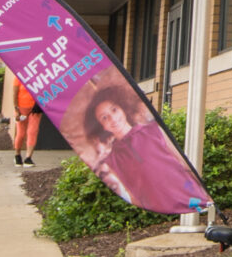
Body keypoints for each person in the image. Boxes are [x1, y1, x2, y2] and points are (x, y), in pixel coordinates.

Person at [78, 83, 192, 212]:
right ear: (102, 126)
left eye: (114, 110)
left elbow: (182, 163)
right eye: (104, 117)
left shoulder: (153, 130)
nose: (113, 118)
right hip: (158, 209)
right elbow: (132, 195)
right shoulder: (112, 160)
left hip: (187, 193)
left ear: (122, 108)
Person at [12, 80, 42, 167]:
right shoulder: (18, 77)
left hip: (35, 108)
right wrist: (16, 110)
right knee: (21, 133)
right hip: (21, 108)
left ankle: (28, 158)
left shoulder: (39, 77)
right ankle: (17, 155)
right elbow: (14, 94)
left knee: (33, 131)